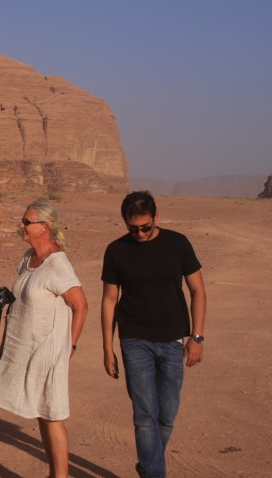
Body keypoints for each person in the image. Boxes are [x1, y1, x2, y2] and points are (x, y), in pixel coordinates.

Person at [101, 191, 207, 478]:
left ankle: (149, 462)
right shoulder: (116, 250)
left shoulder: (178, 243)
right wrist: (108, 348)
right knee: (145, 416)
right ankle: (154, 471)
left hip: (173, 340)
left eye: (145, 227)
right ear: (124, 221)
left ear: (156, 216)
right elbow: (109, 300)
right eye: (132, 228)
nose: (139, 233)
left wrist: (197, 337)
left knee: (167, 415)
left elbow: (197, 290)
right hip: (135, 340)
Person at [0, 201, 88, 478]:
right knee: (43, 411)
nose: (21, 226)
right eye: (23, 221)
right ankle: (54, 473)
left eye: (27, 222)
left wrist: (70, 345)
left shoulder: (57, 263)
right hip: (27, 345)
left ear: (44, 227)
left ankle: (61, 476)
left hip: (48, 349)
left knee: (52, 413)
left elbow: (81, 306)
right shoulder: (28, 258)